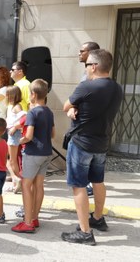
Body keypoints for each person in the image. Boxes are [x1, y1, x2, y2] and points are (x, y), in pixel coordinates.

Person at [61, 49, 123, 245]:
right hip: (101, 142)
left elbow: (66, 106)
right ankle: (97, 218)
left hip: (81, 142)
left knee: (78, 186)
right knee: (98, 181)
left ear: (94, 66)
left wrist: (72, 112)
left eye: (87, 65)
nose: (86, 68)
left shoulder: (87, 86)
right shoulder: (117, 88)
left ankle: (85, 232)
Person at [11, 79, 55, 233]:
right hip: (46, 152)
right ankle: (35, 217)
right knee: (39, 185)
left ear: (34, 95)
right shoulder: (49, 112)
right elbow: (53, 134)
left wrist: (19, 140)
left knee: (26, 185)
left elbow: (28, 136)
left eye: (29, 93)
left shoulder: (32, 113)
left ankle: (27, 222)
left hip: (33, 153)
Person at [75, 41, 100, 196]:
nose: (79, 53)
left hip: (88, 121)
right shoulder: (86, 71)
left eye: (82, 51)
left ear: (90, 53)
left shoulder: (94, 73)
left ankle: (89, 184)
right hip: (83, 118)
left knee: (88, 153)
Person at [6, 86, 25, 194]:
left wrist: (15, 127)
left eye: (9, 94)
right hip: (12, 132)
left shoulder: (17, 106)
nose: (7, 96)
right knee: (12, 159)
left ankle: (17, 182)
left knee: (12, 160)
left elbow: (24, 117)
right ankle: (16, 181)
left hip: (14, 133)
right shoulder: (13, 105)